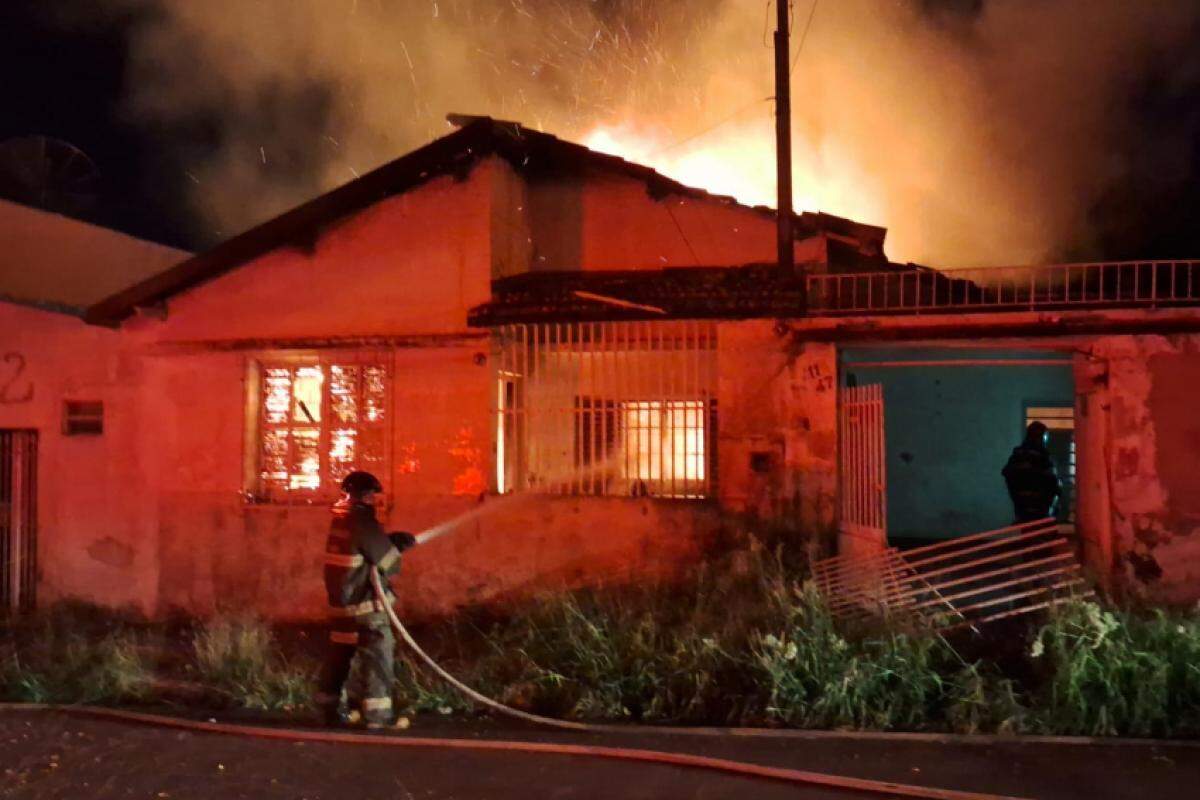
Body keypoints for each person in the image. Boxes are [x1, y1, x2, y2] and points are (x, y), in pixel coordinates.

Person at [315, 471, 417, 729]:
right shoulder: (363, 522)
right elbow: (390, 565)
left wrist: (387, 540)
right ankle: (378, 717)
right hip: (364, 607)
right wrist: (395, 546)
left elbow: (361, 550)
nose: (375, 500)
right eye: (373, 495)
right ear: (367, 496)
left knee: (339, 657)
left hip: (340, 605)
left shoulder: (340, 520)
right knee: (378, 654)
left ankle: (327, 710)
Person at [1001, 422, 1062, 523]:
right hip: (1039, 506)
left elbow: (1007, 473)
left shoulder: (1019, 453)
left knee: (1028, 533)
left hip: (1023, 506)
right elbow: (1052, 480)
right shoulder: (1042, 456)